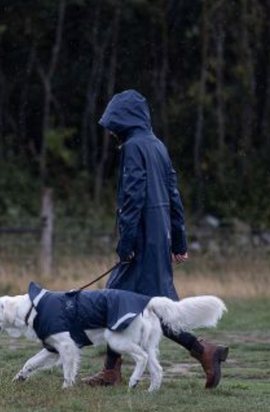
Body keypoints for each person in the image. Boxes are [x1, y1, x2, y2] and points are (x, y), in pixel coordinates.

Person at [83, 89, 228, 389]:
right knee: (138, 305)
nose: (110, 130)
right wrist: (178, 242)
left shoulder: (133, 148)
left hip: (142, 242)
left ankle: (204, 351)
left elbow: (132, 198)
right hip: (157, 240)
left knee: (120, 302)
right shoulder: (158, 146)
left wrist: (126, 246)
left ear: (124, 120)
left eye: (113, 123)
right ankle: (114, 369)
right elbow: (174, 194)